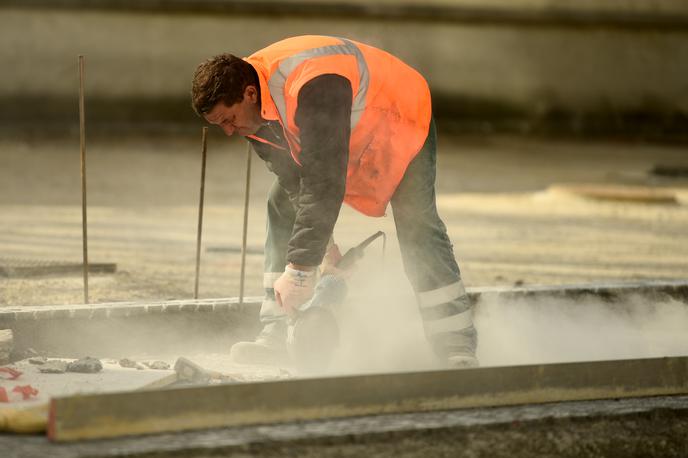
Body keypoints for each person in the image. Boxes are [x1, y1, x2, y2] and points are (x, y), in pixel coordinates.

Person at [191, 35, 478, 368]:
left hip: (398, 118)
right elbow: (296, 184)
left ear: (249, 94)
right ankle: (277, 331)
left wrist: (300, 270)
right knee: (281, 205)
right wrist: (325, 250)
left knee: (417, 223)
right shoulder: (251, 101)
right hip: (345, 133)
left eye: (228, 120)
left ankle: (456, 345)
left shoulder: (313, 85)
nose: (228, 131)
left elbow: (324, 181)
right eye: (219, 125)